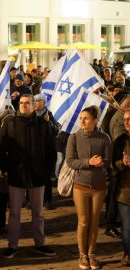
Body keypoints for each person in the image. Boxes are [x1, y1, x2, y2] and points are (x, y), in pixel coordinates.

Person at [0, 94, 56, 259]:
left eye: (27, 103)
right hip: (17, 175)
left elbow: (51, 151)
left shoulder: (44, 125)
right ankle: (12, 246)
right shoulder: (10, 123)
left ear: (33, 104)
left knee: (38, 212)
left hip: (38, 175)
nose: (23, 105)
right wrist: (7, 168)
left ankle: (40, 244)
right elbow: (0, 149)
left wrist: (46, 171)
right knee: (14, 213)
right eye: (21, 103)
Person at [66, 106, 112, 270]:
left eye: (86, 118)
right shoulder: (74, 137)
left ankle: (91, 253)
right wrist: (88, 162)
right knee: (83, 221)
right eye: (81, 118)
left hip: (99, 186)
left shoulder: (104, 137)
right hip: (81, 185)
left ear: (94, 121)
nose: (82, 121)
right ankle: (82, 254)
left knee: (94, 222)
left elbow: (108, 160)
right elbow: (70, 161)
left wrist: (102, 162)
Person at [112, 109, 130, 266]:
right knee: (127, 227)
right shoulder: (120, 141)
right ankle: (127, 253)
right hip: (125, 191)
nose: (127, 122)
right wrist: (122, 163)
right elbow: (113, 166)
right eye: (125, 119)